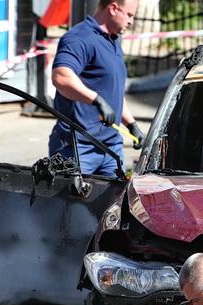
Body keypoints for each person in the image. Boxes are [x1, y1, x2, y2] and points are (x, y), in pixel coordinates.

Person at [47, 0, 145, 176]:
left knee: (117, 194)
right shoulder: (79, 38)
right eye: (129, 15)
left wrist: (131, 125)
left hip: (111, 147)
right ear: (113, 8)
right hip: (77, 147)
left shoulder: (113, 40)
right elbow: (61, 76)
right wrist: (96, 100)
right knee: (72, 195)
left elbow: (112, 91)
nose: (131, 21)